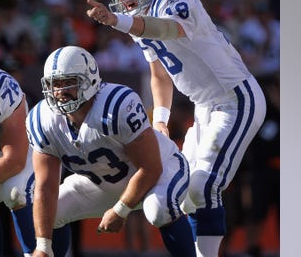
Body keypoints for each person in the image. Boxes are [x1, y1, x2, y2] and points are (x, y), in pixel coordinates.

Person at [85, 0, 267, 256]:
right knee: (185, 196)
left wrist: (117, 21)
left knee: (203, 186)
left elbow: (168, 29)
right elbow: (159, 75)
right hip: (205, 107)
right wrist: (160, 121)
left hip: (235, 99)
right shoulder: (136, 23)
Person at [26, 46, 196, 257]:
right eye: (54, 84)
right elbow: (45, 188)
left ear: (89, 81)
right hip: (103, 182)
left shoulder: (116, 105)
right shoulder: (42, 120)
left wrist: (121, 210)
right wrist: (42, 247)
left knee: (158, 209)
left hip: (160, 171)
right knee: (52, 211)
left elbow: (150, 168)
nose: (59, 92)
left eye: (68, 82)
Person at [0, 67, 36, 257]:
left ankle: (37, 251)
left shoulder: (0, 86)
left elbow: (14, 160)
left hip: (9, 155)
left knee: (15, 191)